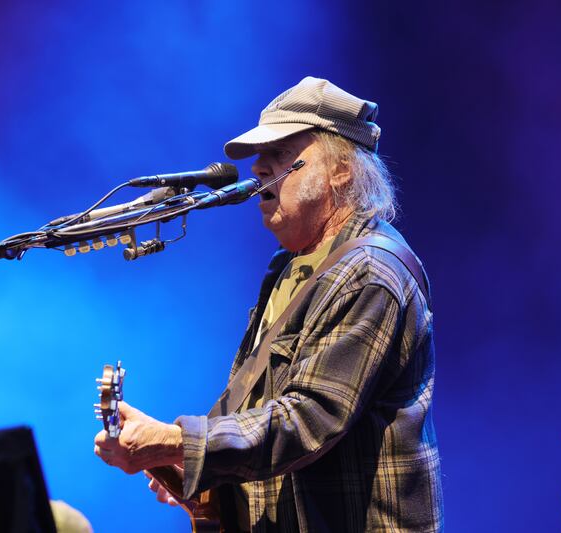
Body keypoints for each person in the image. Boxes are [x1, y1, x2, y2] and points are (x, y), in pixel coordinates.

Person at [94, 76, 443, 532]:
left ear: (341, 169)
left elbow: (308, 419)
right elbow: (261, 418)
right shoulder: (290, 267)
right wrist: (197, 472)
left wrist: (178, 441)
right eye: (260, 157)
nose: (259, 169)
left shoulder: (371, 272)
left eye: (280, 154)